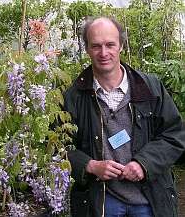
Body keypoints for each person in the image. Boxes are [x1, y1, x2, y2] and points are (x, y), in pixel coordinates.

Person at [63, 16, 185, 217]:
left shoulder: (150, 88)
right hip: (102, 201)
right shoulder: (74, 97)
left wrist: (143, 164)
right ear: (87, 49)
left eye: (110, 44)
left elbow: (174, 134)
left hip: (150, 199)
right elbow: (60, 148)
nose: (104, 53)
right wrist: (90, 165)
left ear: (121, 46)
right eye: (96, 46)